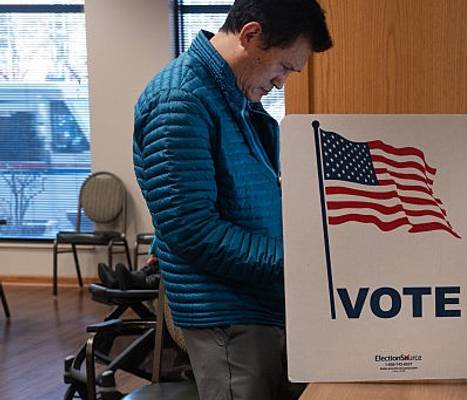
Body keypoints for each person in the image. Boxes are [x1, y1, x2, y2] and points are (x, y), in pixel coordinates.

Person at [131, 1, 332, 399]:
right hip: (226, 312)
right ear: (251, 35)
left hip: (256, 300)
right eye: (284, 67)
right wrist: (294, 262)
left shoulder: (231, 99)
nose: (281, 83)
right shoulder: (181, 101)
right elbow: (193, 229)